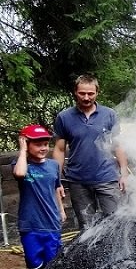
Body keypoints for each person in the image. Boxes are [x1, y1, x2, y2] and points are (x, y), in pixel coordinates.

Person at [53, 74, 129, 230]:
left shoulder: (109, 114)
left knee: (115, 223)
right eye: (82, 93)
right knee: (87, 228)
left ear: (97, 92)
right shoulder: (64, 117)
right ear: (75, 92)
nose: (86, 97)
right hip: (78, 181)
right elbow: (59, 150)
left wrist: (124, 173)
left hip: (107, 177)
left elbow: (118, 145)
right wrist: (56, 180)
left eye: (90, 93)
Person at [12, 125, 66, 269]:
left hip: (51, 223)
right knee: (34, 264)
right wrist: (22, 151)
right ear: (26, 144)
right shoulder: (21, 164)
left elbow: (56, 188)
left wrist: (61, 210)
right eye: (37, 144)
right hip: (30, 225)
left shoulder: (53, 165)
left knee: (53, 266)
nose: (43, 148)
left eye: (45, 144)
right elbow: (20, 173)